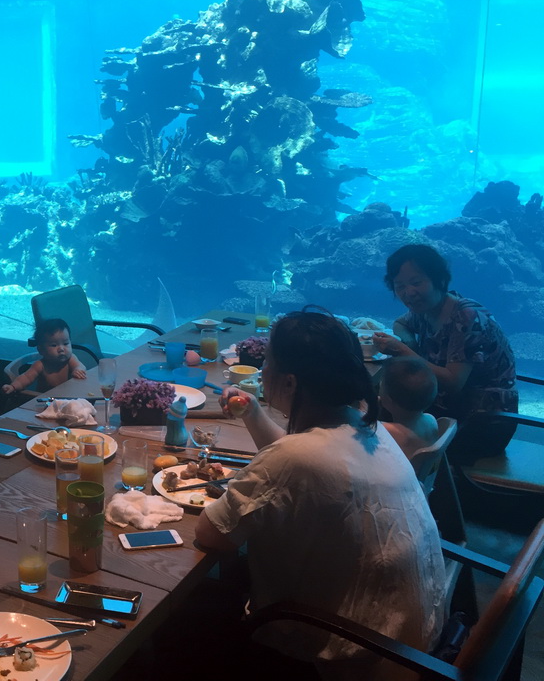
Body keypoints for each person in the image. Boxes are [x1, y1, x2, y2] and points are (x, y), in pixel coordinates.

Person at [195, 309, 446, 679]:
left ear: (291, 383)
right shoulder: (365, 426)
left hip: (349, 655)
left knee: (194, 610)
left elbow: (211, 533)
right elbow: (298, 459)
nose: (263, 372)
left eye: (267, 364)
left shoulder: (295, 458)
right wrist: (252, 414)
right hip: (408, 643)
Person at [372, 243, 517, 459]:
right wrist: (411, 342)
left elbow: (453, 382)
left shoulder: (466, 317)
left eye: (416, 282)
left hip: (483, 421)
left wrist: (403, 351)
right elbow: (401, 324)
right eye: (399, 286)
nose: (408, 293)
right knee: (375, 408)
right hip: (444, 409)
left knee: (381, 434)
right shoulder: (425, 309)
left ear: (438, 279)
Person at [2, 318, 87, 395]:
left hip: (68, 398)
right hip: (45, 402)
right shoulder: (40, 365)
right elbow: (26, 377)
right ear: (41, 349)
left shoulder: (71, 359)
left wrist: (78, 370)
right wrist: (13, 387)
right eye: (54, 345)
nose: (61, 348)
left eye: (66, 343)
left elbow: (80, 366)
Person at [380, 356, 439, 460]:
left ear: (389, 400)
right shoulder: (431, 420)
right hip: (425, 474)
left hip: (400, 475)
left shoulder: (387, 431)